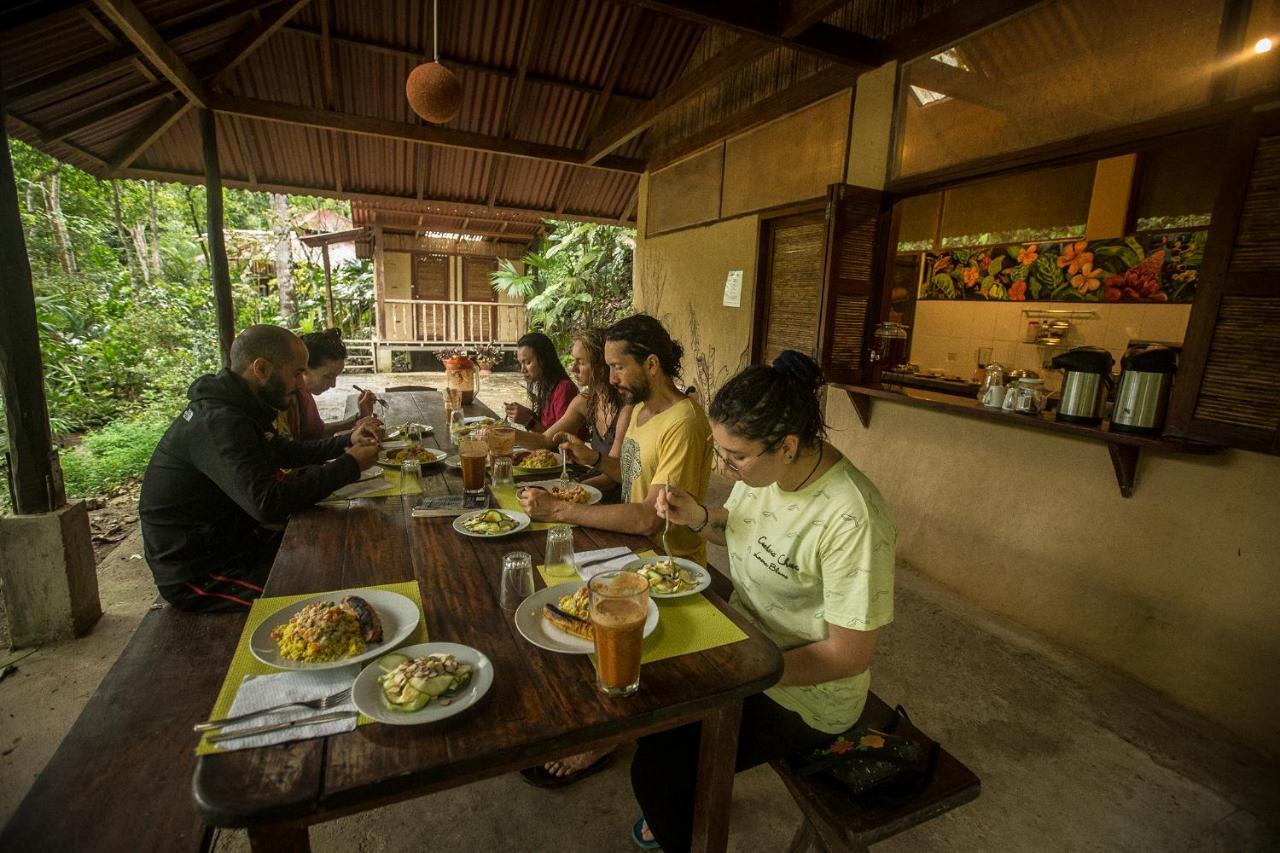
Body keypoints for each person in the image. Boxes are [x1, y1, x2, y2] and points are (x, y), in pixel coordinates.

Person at [627, 351, 897, 852]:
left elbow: (848, 655)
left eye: (735, 456)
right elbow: (741, 530)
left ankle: (683, 819)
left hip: (804, 694)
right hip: (747, 643)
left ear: (788, 446)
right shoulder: (762, 477)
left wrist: (740, 670)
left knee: (657, 767)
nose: (724, 466)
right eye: (719, 450)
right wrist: (700, 517)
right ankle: (687, 807)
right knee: (647, 693)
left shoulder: (851, 517)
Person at [517, 314, 713, 787]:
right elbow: (628, 476)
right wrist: (591, 459)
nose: (611, 378)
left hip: (668, 562)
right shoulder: (639, 410)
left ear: (651, 363)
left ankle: (608, 734)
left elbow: (650, 515)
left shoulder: (684, 423)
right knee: (556, 595)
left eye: (618, 367)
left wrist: (561, 512)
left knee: (600, 623)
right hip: (630, 547)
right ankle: (587, 716)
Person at [139, 325, 381, 611]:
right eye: (296, 373)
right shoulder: (219, 421)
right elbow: (267, 502)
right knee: (331, 598)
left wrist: (345, 442)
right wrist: (350, 464)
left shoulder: (239, 407)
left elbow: (282, 451)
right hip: (201, 573)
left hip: (240, 543)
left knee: (345, 555)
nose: (302, 384)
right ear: (262, 369)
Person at [514, 329, 632, 502]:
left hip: (614, 498)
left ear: (601, 365)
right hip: (589, 485)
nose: (573, 368)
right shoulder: (585, 400)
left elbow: (611, 478)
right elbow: (547, 439)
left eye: (581, 362)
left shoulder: (626, 407)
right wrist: (506, 434)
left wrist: (567, 489)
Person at [283, 329, 378, 441]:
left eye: (335, 377)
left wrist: (358, 418)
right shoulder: (285, 401)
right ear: (304, 369)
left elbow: (318, 432)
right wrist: (350, 441)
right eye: (328, 376)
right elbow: (298, 451)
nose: (333, 385)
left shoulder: (304, 394)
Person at [504, 331, 579, 433]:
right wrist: (527, 414)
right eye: (520, 363)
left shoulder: (564, 389)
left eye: (528, 362)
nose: (522, 370)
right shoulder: (546, 385)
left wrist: (528, 421)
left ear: (544, 360)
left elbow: (560, 440)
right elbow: (547, 425)